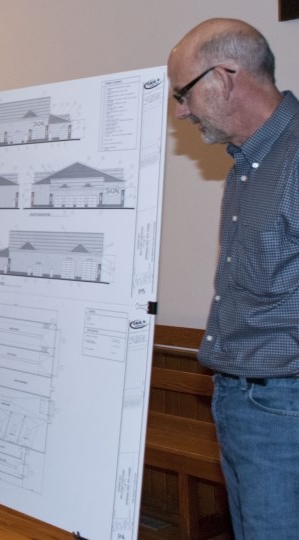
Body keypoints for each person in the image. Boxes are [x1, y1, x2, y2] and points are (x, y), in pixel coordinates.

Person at [167, 18, 299, 538]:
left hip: (282, 407)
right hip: (242, 400)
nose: (180, 110)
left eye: (184, 93)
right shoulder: (249, 163)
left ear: (223, 78)